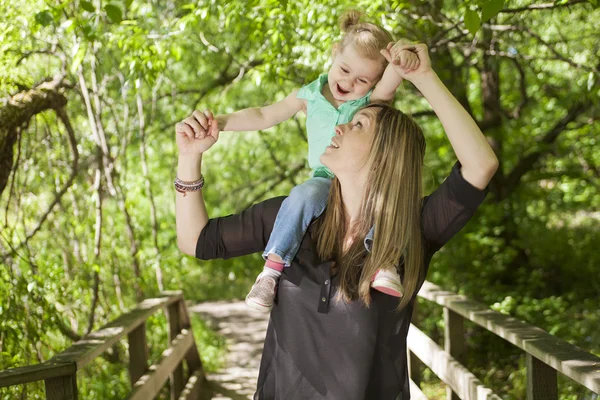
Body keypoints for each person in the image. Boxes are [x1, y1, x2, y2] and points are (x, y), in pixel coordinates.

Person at [175, 41, 498, 399]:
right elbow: (196, 241)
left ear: (384, 155)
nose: (340, 126)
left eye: (358, 123)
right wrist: (189, 159)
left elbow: (480, 166)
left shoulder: (412, 229)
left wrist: (424, 77)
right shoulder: (294, 216)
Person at [186, 10, 421, 312]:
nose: (349, 83)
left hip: (362, 178)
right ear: (335, 53)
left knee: (384, 196)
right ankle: (272, 269)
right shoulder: (309, 95)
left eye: (363, 79)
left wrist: (403, 55)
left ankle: (384, 258)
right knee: (302, 195)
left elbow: (392, 78)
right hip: (325, 176)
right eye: (345, 69)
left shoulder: (369, 103)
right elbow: (263, 115)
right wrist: (221, 120)